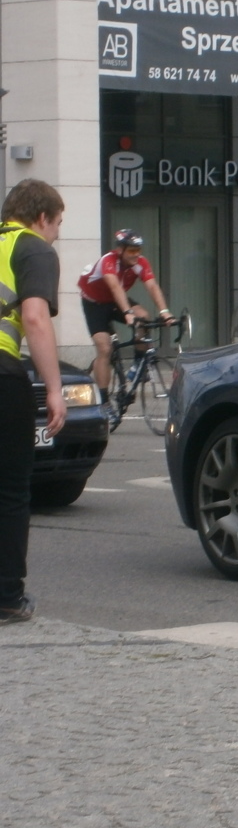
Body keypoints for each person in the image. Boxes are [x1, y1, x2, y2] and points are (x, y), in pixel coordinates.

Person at [0, 179, 66, 624]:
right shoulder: (33, 249)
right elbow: (34, 318)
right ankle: (7, 595)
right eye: (58, 223)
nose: (58, 233)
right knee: (9, 489)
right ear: (41, 217)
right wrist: (55, 387)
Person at [79, 229, 175, 405]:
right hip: (95, 304)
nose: (136, 255)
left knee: (144, 317)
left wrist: (164, 312)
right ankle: (104, 401)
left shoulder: (140, 263)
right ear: (120, 250)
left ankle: (138, 364)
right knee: (105, 349)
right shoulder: (108, 261)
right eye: (131, 250)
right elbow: (115, 287)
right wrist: (128, 313)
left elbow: (152, 286)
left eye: (138, 250)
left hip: (115, 300)